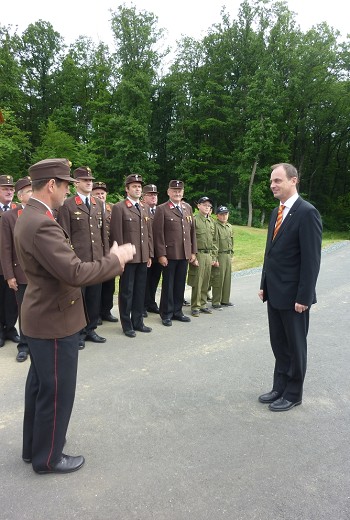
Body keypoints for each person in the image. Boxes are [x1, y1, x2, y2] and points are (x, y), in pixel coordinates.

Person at [14, 158, 135, 474]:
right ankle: (49, 458)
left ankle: (34, 449)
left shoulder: (33, 215)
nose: (68, 190)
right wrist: (115, 259)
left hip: (42, 316)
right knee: (56, 393)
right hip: (54, 321)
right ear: (52, 184)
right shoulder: (42, 222)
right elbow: (73, 272)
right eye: (66, 184)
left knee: (41, 388)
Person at [258, 162, 322, 412]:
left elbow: (311, 261)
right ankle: (280, 386)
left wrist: (304, 296)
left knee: (295, 346)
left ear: (293, 181)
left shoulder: (307, 213)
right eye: (271, 181)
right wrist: (264, 284)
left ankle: (293, 393)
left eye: (278, 181)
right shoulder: (277, 212)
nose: (273, 185)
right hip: (274, 293)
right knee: (279, 344)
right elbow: (270, 253)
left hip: (295, 296)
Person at [57, 166, 108, 348]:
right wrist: (70, 260)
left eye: (91, 180)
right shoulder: (68, 205)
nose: (89, 183)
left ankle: (91, 328)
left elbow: (103, 234)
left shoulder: (98, 203)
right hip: (78, 261)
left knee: (94, 296)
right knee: (79, 298)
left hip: (96, 260)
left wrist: (106, 257)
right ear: (76, 182)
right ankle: (77, 332)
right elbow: (64, 235)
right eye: (85, 180)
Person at [110, 174, 153, 338]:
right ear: (127, 189)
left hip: (142, 257)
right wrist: (119, 258)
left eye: (139, 186)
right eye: (134, 186)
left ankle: (138, 322)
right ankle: (127, 324)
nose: (137, 189)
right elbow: (117, 235)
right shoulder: (120, 208)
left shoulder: (144, 208)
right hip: (128, 258)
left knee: (140, 291)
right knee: (126, 291)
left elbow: (148, 234)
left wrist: (149, 254)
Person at [153, 180, 197, 326]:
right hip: (169, 254)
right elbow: (158, 234)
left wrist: (193, 251)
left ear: (183, 192)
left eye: (179, 191)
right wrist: (161, 254)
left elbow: (192, 232)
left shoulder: (187, 208)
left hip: (184, 253)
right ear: (168, 192)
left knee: (180, 284)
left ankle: (178, 311)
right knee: (168, 285)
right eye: (174, 191)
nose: (177, 193)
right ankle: (166, 313)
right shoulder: (162, 209)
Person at [0, 177, 32, 361]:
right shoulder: (10, 216)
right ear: (20, 196)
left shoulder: (44, 212)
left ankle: (39, 342)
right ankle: (24, 345)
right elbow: (5, 248)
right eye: (28, 191)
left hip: (41, 273)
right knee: (24, 310)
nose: (32, 194)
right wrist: (9, 275)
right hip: (20, 273)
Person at [91, 181, 118, 323]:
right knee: (97, 285)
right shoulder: (91, 208)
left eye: (102, 193)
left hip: (110, 251)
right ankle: (96, 314)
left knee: (109, 284)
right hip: (96, 252)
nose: (100, 196)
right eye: (97, 193)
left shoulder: (112, 208)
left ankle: (106, 310)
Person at [187, 196, 217, 317]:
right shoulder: (194, 220)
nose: (207, 207)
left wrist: (214, 257)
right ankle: (195, 306)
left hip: (208, 255)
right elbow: (189, 239)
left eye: (209, 206)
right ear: (198, 206)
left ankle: (203, 304)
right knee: (197, 282)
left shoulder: (211, 221)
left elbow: (215, 241)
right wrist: (192, 256)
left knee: (206, 281)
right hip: (198, 254)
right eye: (204, 205)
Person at [0, 174, 20, 348]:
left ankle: (11, 328)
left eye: (11, 189)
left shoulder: (18, 209)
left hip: (13, 264)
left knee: (12, 299)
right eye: (5, 188)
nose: (9, 191)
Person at [142, 184, 162, 315]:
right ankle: (142, 305)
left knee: (155, 278)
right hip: (145, 251)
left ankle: (151, 303)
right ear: (144, 197)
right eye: (150, 195)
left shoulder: (160, 210)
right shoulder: (141, 209)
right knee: (144, 280)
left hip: (158, 252)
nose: (153, 197)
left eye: (155, 195)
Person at [210, 206, 234, 309]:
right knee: (218, 278)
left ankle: (225, 300)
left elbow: (231, 241)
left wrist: (231, 254)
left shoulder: (229, 226)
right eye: (222, 214)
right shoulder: (215, 226)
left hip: (228, 255)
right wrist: (214, 258)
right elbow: (213, 242)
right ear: (217, 215)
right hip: (220, 255)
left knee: (227, 278)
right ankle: (216, 301)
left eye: (226, 214)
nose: (224, 216)